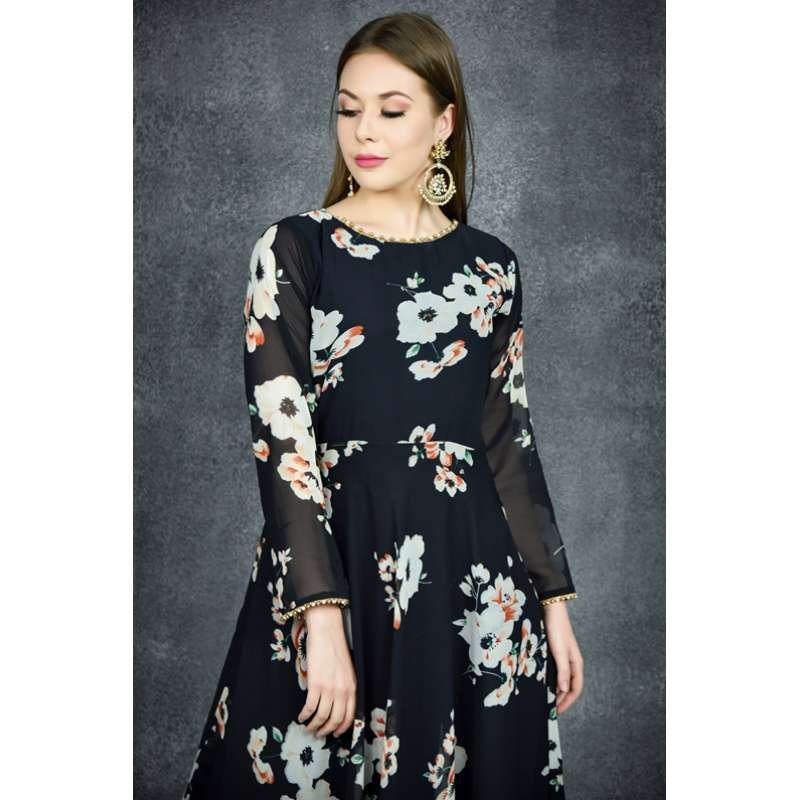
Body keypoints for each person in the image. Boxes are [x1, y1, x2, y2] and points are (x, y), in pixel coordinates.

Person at [183, 12, 583, 799]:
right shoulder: (295, 250)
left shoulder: (492, 268)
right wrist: (320, 615)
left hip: (474, 585)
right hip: (336, 566)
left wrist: (554, 604)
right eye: (348, 108)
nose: (363, 131)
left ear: (443, 124)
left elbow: (508, 440)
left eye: (392, 110)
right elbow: (283, 444)